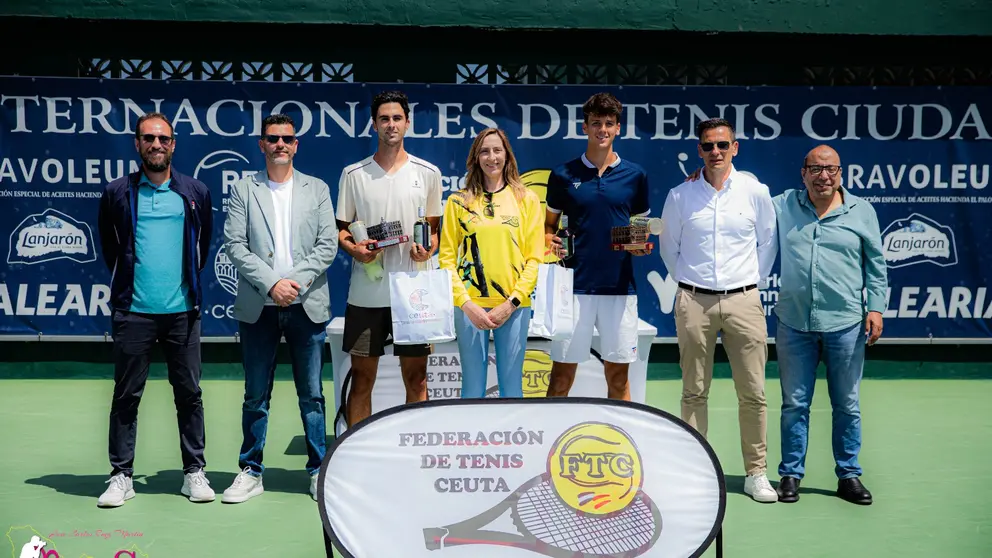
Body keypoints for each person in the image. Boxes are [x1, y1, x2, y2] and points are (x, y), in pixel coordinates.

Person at [657, 118, 779, 503]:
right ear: (699, 150)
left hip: (744, 299)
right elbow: (669, 250)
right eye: (708, 146)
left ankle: (756, 473)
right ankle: (696, 473)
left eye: (722, 145)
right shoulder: (680, 195)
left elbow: (768, 243)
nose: (715, 152)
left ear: (735, 148)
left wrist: (746, 285)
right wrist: (693, 286)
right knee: (693, 391)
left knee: (753, 392)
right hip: (694, 301)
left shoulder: (755, 192)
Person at [95, 112, 214, 507]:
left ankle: (194, 472)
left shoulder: (194, 191)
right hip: (134, 313)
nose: (156, 145)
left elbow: (202, 246)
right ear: (137, 144)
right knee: (126, 395)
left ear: (174, 144)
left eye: (163, 139)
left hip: (183, 312)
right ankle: (121, 476)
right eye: (149, 138)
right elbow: (110, 247)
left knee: (189, 395)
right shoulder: (117, 192)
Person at [219, 114, 339, 504]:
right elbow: (235, 244)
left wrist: (293, 284)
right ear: (262, 144)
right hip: (259, 306)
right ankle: (251, 471)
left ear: (296, 144)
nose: (280, 145)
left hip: (307, 305)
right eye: (273, 139)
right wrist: (272, 283)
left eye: (287, 138)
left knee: (312, 395)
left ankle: (318, 470)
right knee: (256, 394)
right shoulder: (244, 189)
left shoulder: (317, 189)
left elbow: (327, 245)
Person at [772, 145, 885, 505]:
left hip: (846, 323)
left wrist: (877, 308)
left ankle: (848, 476)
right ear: (803, 173)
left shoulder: (862, 211)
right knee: (794, 404)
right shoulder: (782, 205)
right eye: (816, 169)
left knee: (847, 404)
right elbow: (739, 196)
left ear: (841, 173)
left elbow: (876, 265)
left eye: (831, 169)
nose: (824, 176)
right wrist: (701, 176)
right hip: (794, 323)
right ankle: (790, 475)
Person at [335, 90, 442, 426]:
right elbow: (341, 230)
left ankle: (414, 452)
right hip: (368, 294)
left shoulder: (428, 173)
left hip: (414, 294)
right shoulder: (354, 174)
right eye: (384, 118)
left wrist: (427, 248)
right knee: (362, 380)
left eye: (397, 118)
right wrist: (354, 249)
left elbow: (435, 232)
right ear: (374, 125)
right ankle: (355, 455)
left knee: (417, 379)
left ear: (407, 124)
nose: (391, 124)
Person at [544, 92, 652, 401]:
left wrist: (639, 245)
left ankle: (622, 444)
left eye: (608, 123)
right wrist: (550, 242)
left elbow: (639, 230)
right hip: (573, 289)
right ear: (584, 128)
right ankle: (550, 441)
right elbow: (548, 228)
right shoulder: (563, 174)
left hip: (619, 290)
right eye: (595, 123)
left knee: (618, 380)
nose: (601, 130)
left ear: (618, 128)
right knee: (561, 378)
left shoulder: (636, 175)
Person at [438, 128, 544, 398]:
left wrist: (512, 303)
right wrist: (466, 304)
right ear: (475, 157)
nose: (491, 157)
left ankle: (512, 440)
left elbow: (535, 258)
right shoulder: (457, 202)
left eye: (497, 150)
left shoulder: (527, 199)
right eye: (484, 151)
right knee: (472, 387)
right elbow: (447, 259)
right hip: (470, 307)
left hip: (514, 306)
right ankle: (471, 441)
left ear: (507, 156)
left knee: (512, 388)